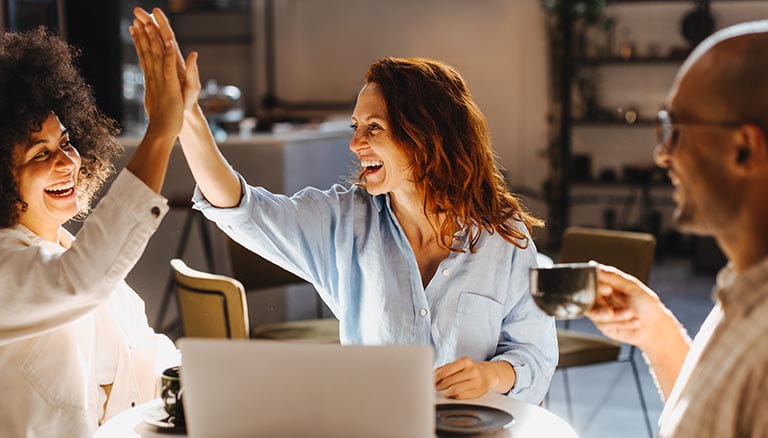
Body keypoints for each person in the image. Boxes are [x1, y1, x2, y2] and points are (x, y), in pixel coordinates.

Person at [134, 9, 557, 403]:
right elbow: (241, 208)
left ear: (427, 137)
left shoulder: (505, 238)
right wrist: (185, 115)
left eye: (374, 128)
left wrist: (492, 376)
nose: (355, 144)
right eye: (356, 127)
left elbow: (535, 355)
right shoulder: (343, 224)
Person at [0, 13, 197, 437]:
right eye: (40, 154)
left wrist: (227, 378)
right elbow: (81, 282)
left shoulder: (62, 246)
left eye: (67, 142)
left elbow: (144, 355)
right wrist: (161, 131)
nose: (66, 163)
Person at [585, 20, 768, 437]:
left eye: (673, 131)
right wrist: (658, 335)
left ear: (744, 148)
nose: (662, 155)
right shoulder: (744, 289)